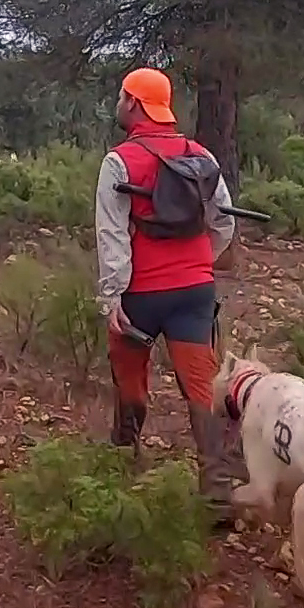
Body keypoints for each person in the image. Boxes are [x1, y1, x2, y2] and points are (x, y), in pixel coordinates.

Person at [93, 67, 241, 519]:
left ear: (134, 104)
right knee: (202, 389)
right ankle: (218, 496)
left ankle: (121, 472)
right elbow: (225, 222)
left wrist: (111, 297)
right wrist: (200, 264)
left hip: (139, 296)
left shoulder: (119, 162)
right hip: (194, 293)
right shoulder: (202, 157)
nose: (118, 103)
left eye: (122, 96)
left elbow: (112, 235)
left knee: (131, 384)